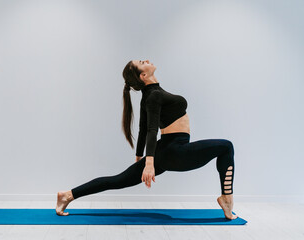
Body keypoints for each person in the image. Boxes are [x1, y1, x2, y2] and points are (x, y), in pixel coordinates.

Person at [56, 59, 238, 220]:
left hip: (166, 151)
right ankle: (227, 199)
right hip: (174, 151)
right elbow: (151, 130)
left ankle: (67, 195)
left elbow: (143, 129)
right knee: (226, 147)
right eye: (143, 62)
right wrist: (148, 163)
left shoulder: (150, 95)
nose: (147, 60)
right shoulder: (154, 96)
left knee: (118, 180)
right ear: (143, 75)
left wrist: (139, 158)